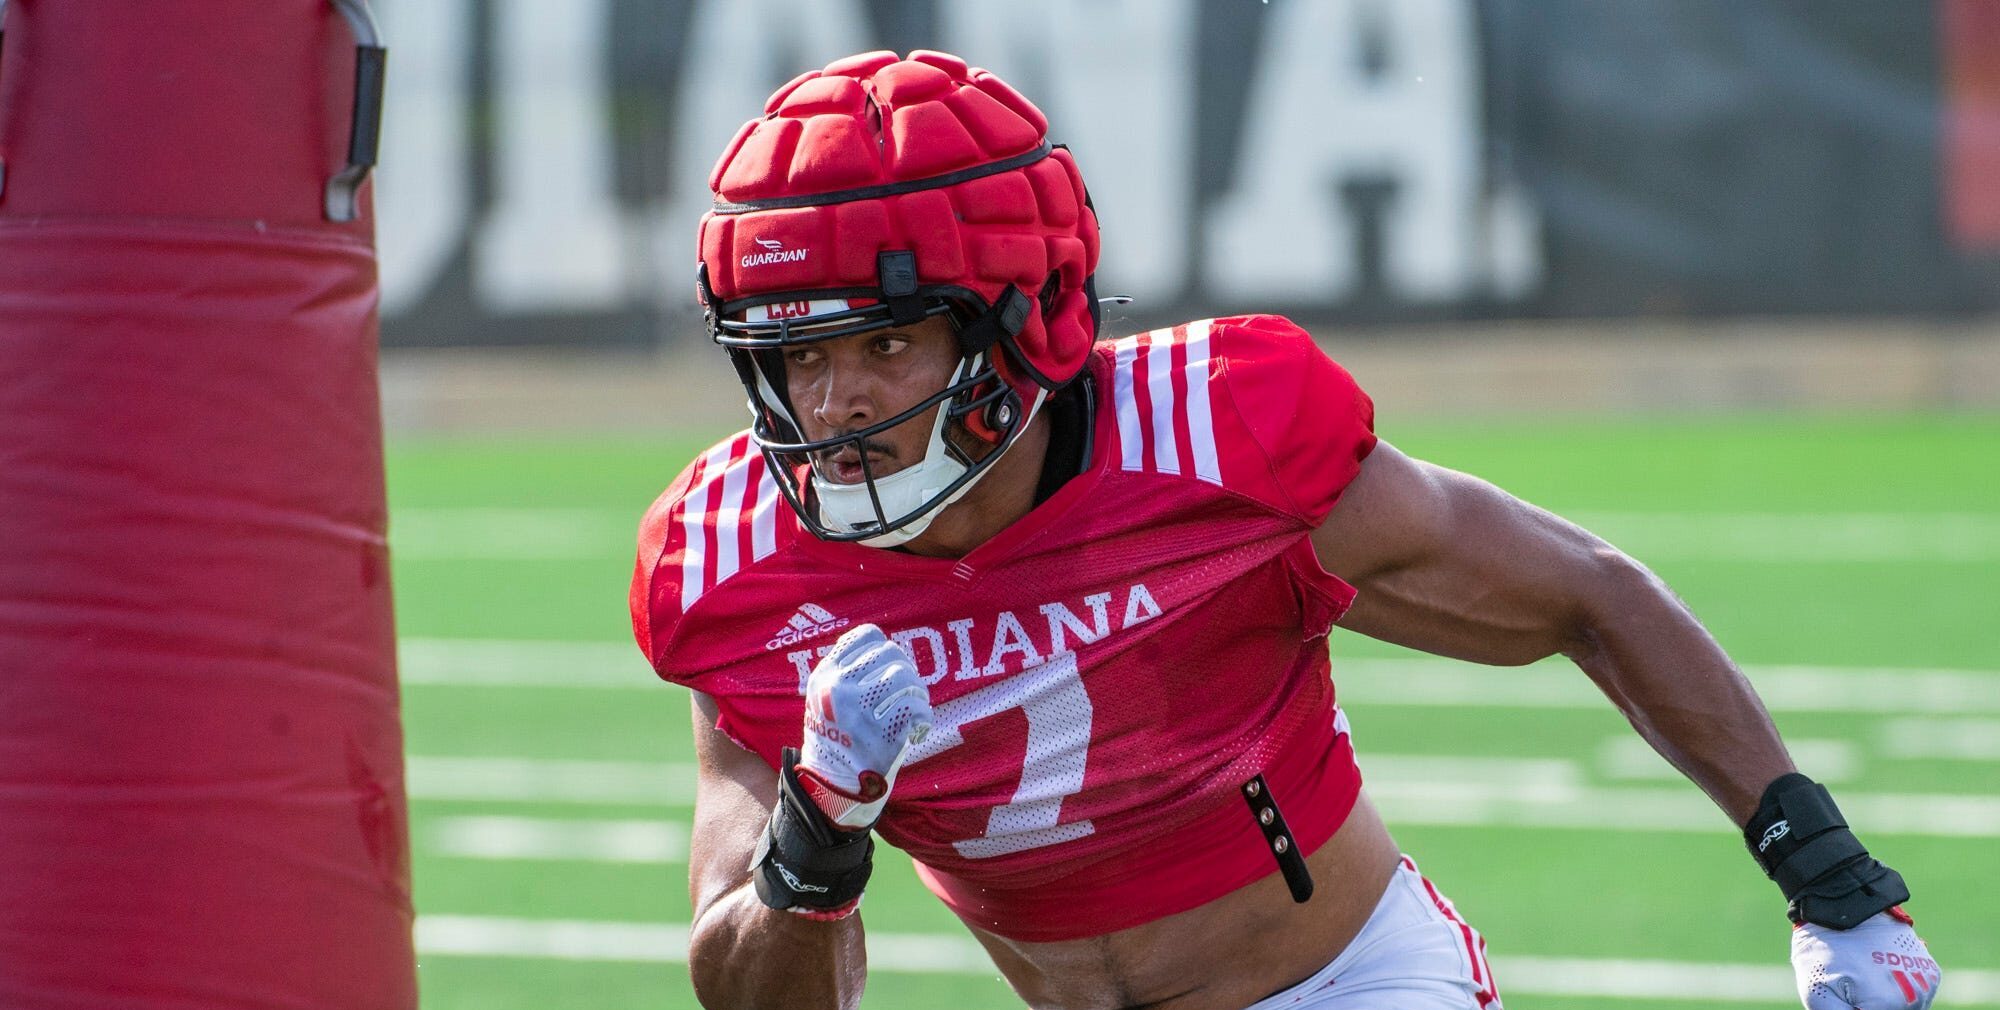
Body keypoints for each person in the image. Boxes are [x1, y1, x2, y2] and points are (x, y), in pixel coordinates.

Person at [630, 50, 1941, 1010]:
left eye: (886, 339)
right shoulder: (731, 568)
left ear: (1016, 319)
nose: (834, 400)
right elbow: (765, 996)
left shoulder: (1217, 445)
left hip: (1346, 986)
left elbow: (1586, 593)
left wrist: (1829, 874)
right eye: (794, 356)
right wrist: (816, 831)